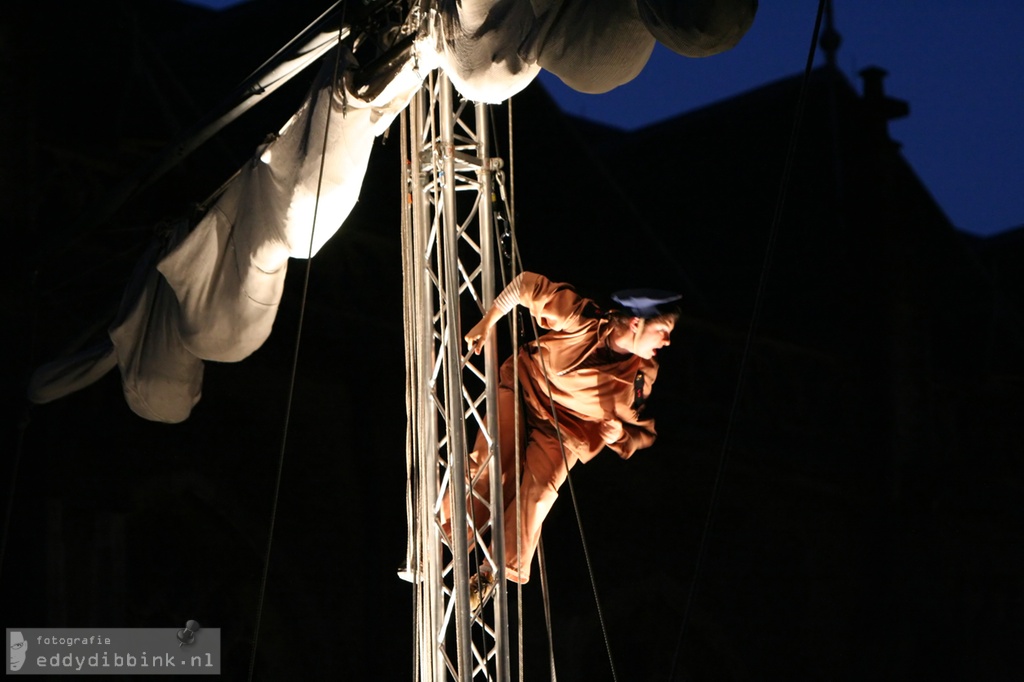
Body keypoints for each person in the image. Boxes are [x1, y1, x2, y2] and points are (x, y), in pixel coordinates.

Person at [455, 271, 680, 606]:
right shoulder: (582, 317)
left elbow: (642, 431)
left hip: (568, 430)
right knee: (492, 468)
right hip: (526, 388)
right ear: (636, 323)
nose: (666, 342)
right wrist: (488, 322)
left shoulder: (642, 374)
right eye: (663, 331)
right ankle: (443, 537)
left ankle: (491, 570)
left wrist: (621, 435)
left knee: (540, 492)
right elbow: (524, 286)